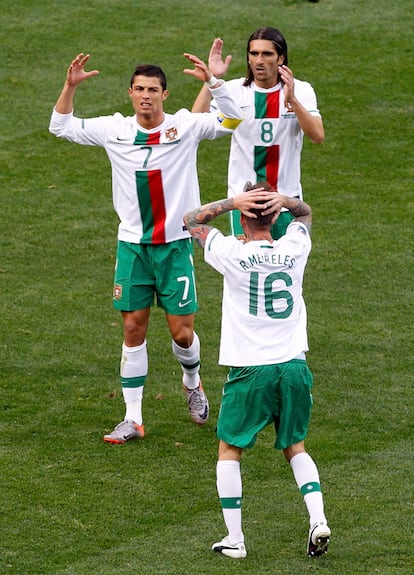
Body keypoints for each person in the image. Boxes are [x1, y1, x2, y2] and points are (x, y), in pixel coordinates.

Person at [49, 52, 243, 444]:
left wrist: (216, 84)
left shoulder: (185, 126)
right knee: (133, 327)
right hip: (133, 248)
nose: (145, 96)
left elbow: (232, 121)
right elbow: (60, 127)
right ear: (130, 93)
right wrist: (70, 86)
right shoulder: (113, 129)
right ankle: (133, 418)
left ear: (165, 95)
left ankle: (192, 382)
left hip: (173, 247)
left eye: (153, 90)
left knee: (182, 333)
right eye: (139, 89)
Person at [183, 181, 331, 559]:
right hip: (294, 367)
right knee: (295, 446)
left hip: (251, 370)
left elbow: (191, 220)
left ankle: (235, 539)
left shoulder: (231, 252)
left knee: (230, 448)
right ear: (276, 215)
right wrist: (285, 201)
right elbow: (305, 212)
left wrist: (233, 201)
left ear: (242, 219)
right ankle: (318, 519)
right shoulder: (296, 247)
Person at [191, 28, 324, 240]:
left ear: (281, 58)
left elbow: (317, 136)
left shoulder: (301, 89)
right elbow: (194, 124)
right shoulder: (234, 91)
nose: (259, 61)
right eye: (254, 54)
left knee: (287, 271)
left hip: (286, 202)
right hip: (244, 204)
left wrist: (293, 101)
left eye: (267, 54)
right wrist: (212, 80)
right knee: (244, 271)